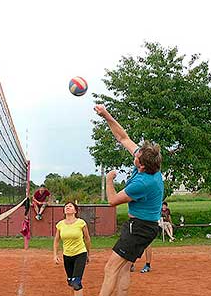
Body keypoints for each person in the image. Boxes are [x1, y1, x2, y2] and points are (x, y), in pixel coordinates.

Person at [95, 104, 163, 296]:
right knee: (123, 268)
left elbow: (112, 200)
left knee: (111, 268)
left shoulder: (142, 182)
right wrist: (106, 114)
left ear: (140, 165)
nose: (135, 153)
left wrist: (108, 180)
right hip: (141, 226)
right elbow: (123, 137)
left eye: (137, 155)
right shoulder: (151, 166)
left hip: (140, 228)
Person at [53, 202, 91, 295]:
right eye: (66, 206)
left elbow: (87, 238)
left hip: (80, 253)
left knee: (76, 282)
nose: (67, 207)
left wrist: (88, 254)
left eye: (70, 206)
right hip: (67, 255)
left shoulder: (81, 223)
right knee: (71, 281)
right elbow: (56, 241)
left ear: (75, 210)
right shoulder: (60, 224)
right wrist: (55, 255)